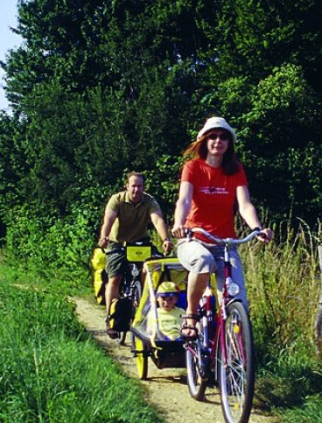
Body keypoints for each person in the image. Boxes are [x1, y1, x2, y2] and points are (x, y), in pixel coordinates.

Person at [170, 117, 273, 339]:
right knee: (203, 261)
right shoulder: (193, 167)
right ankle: (190, 314)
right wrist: (179, 224)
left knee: (238, 302)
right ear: (205, 141)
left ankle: (232, 354)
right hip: (194, 238)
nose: (219, 141)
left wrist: (257, 228)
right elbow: (184, 200)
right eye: (213, 136)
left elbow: (244, 205)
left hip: (225, 244)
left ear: (230, 143)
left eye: (224, 137)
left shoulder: (235, 170)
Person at [97, 172, 172, 336]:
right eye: (133, 186)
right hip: (118, 243)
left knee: (153, 270)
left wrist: (165, 239)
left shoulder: (149, 201)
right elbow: (108, 219)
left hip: (140, 242)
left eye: (140, 186)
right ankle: (111, 317)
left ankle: (144, 307)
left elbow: (157, 219)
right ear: (127, 186)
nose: (136, 189)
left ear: (144, 188)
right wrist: (104, 236)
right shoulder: (117, 199)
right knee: (114, 277)